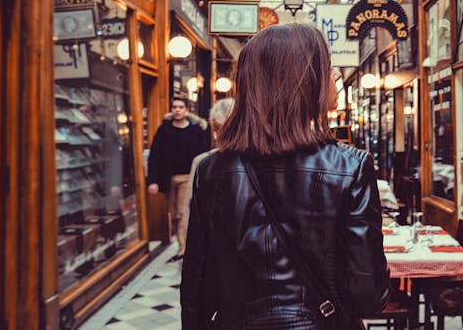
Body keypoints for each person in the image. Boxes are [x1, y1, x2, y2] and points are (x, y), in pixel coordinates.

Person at [181, 24, 389, 329]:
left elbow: (197, 289)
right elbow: (368, 297)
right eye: (328, 67)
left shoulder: (211, 170)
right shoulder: (351, 167)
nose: (336, 77)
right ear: (305, 82)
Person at [147, 96, 210, 261]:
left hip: (187, 178)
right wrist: (152, 180)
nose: (177, 110)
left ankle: (184, 250)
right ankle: (184, 245)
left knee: (183, 213)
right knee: (174, 214)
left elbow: (204, 156)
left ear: (186, 110)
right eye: (174, 107)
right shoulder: (164, 130)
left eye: (181, 107)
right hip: (169, 179)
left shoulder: (196, 131)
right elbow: (155, 156)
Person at [179, 97, 235, 258]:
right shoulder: (259, 160)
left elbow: (190, 211)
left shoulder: (202, 163)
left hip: (214, 251)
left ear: (212, 125)